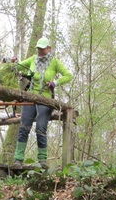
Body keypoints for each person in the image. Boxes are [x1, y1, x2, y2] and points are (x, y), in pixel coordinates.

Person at [13, 37, 72, 169]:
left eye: (42, 48)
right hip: (30, 98)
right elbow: (18, 66)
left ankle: (42, 161)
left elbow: (68, 75)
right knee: (24, 128)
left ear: (49, 48)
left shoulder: (54, 62)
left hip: (45, 99)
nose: (40, 51)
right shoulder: (33, 59)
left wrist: (55, 83)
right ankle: (18, 159)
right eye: (38, 48)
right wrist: (13, 62)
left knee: (40, 128)